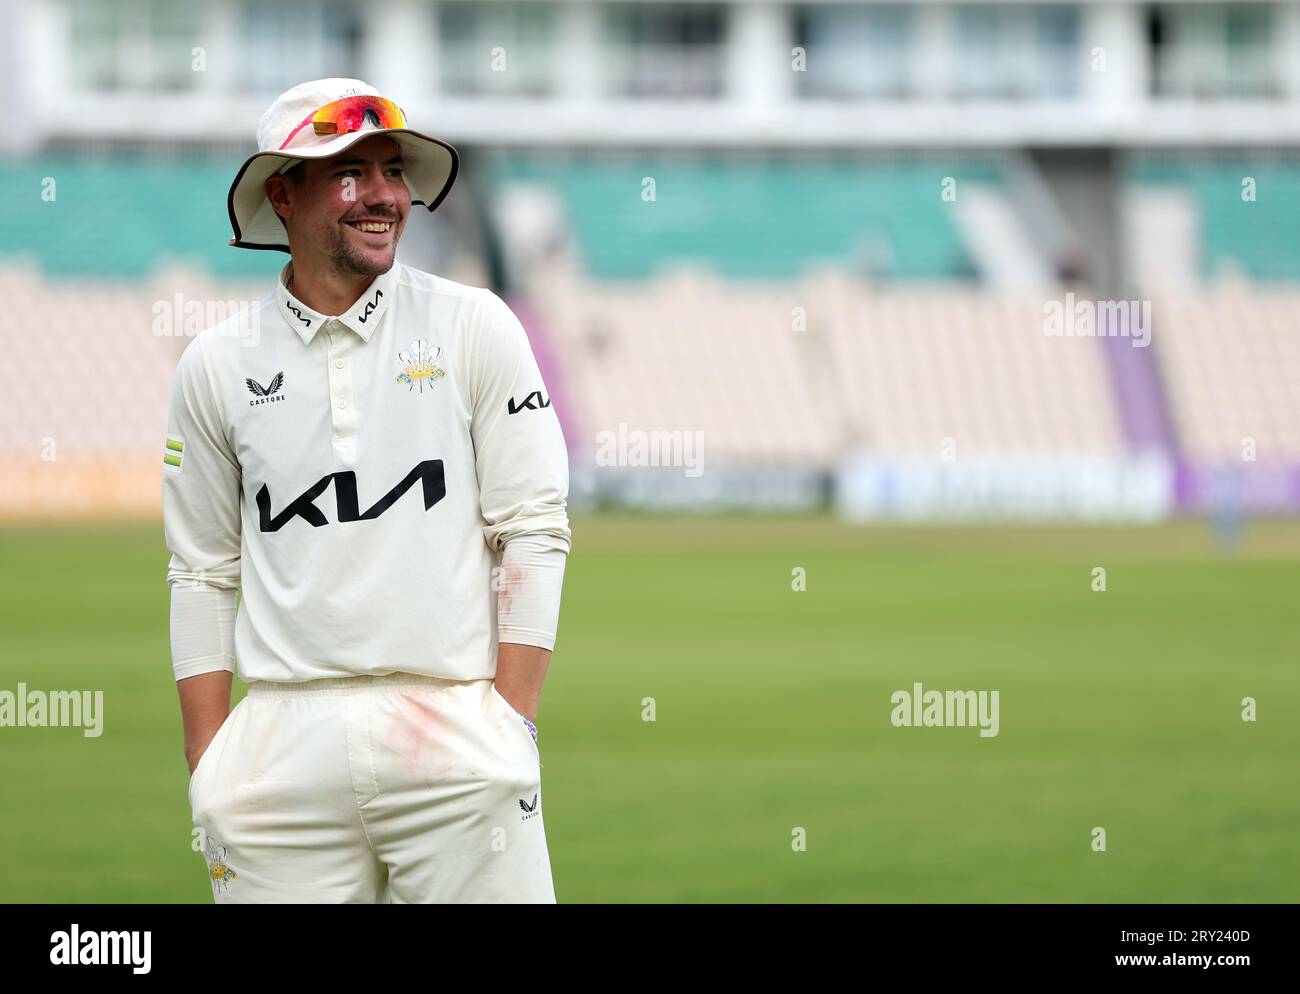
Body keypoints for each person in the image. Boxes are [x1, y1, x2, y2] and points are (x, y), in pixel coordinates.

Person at [163, 78, 570, 903]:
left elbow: (533, 526)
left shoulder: (475, 324)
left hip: (455, 731)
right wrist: (210, 763)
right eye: (351, 170)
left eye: (393, 169)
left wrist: (510, 726)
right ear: (283, 192)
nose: (384, 193)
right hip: (279, 751)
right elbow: (201, 571)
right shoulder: (215, 365)